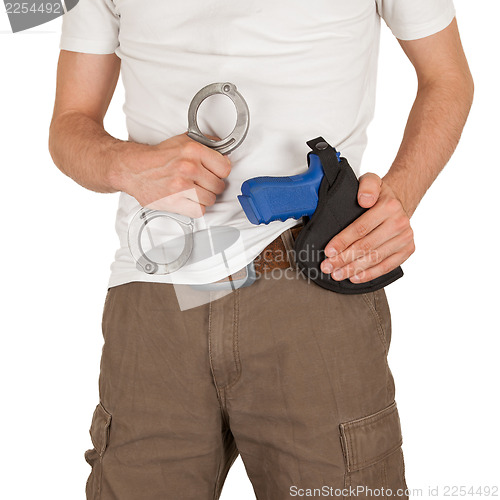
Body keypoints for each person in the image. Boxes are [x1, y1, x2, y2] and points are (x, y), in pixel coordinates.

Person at [48, 1, 473, 499]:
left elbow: (447, 77)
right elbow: (69, 124)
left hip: (314, 273)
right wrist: (125, 164)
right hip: (156, 292)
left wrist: (398, 195)